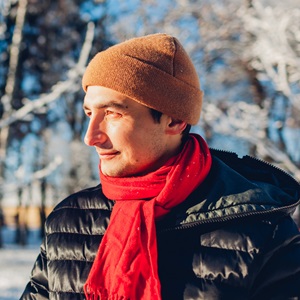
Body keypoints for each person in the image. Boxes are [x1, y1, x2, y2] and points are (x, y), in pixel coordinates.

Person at [20, 33, 300, 300]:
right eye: (90, 113)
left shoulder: (264, 232)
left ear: (175, 120)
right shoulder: (68, 220)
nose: (90, 136)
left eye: (113, 114)